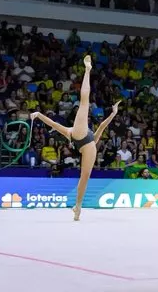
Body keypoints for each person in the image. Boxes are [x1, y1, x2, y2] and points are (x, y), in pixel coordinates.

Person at [30, 56, 120, 221]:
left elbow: (102, 127)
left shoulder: (83, 135)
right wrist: (38, 115)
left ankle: (78, 207)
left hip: (83, 142)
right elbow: (54, 123)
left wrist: (113, 114)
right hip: (82, 139)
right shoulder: (77, 133)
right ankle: (87, 70)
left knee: (84, 177)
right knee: (84, 102)